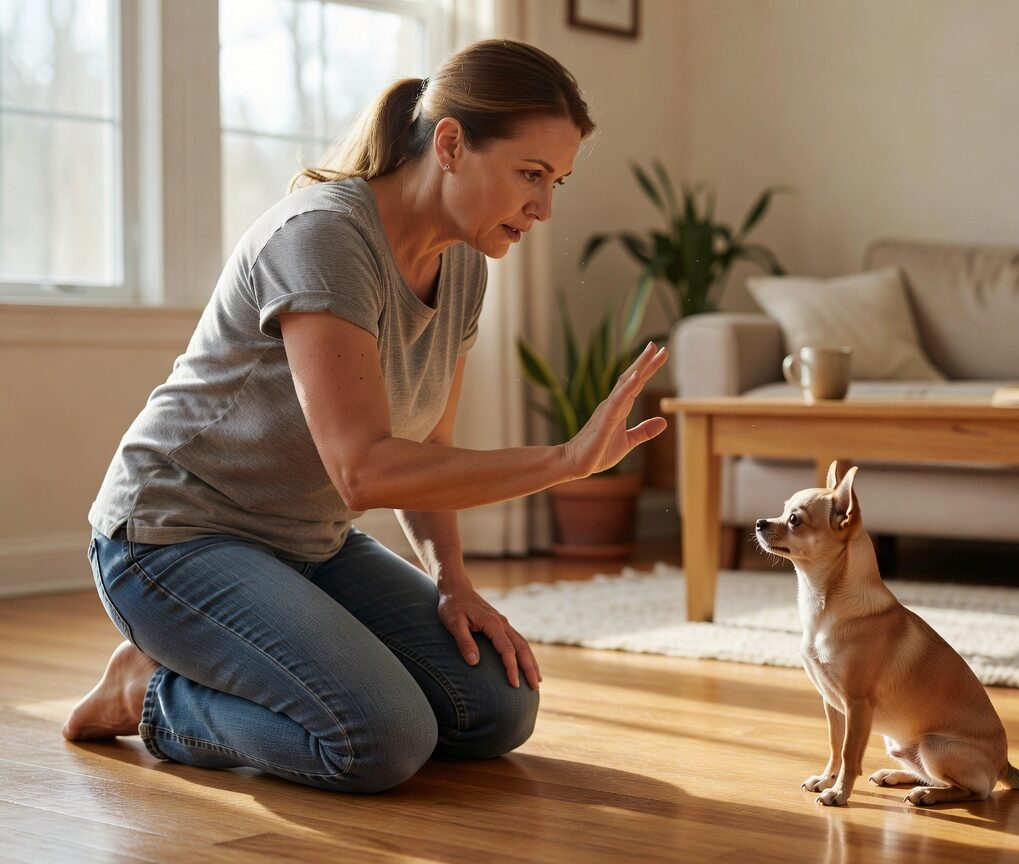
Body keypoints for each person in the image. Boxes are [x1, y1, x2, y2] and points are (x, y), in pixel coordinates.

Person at [63, 39, 669, 794]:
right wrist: (563, 461)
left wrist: (452, 580)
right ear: (450, 144)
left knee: (495, 710)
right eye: (531, 175)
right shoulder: (324, 236)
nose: (545, 208)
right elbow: (365, 468)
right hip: (171, 540)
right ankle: (151, 692)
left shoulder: (465, 266)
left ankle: (233, 658)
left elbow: (430, 446)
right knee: (379, 740)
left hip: (304, 544)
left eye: (559, 182)